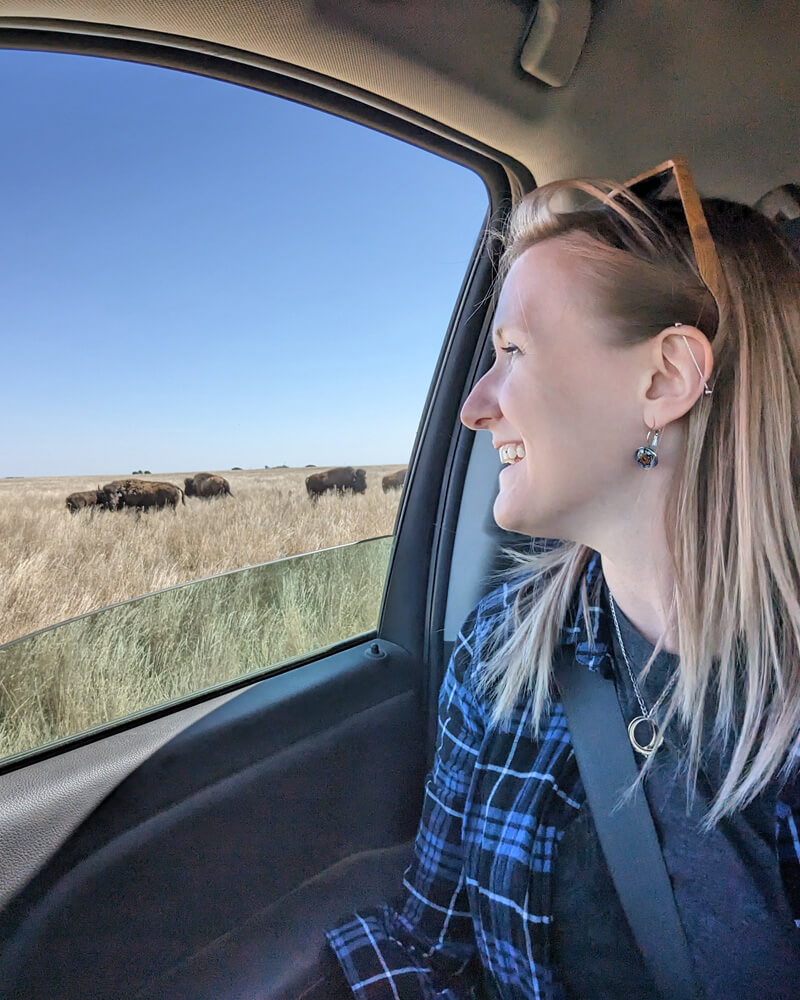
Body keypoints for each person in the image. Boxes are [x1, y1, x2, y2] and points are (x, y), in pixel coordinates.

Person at [326, 161, 800, 998]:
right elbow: (431, 946)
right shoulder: (500, 651)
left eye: (512, 351)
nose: (475, 405)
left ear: (664, 380)